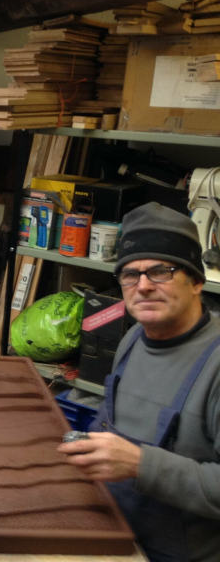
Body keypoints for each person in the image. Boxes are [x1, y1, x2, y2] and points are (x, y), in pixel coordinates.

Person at [59, 202, 220, 562]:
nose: (143, 286)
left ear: (195, 280)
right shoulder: (133, 340)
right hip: (118, 539)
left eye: (161, 271)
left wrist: (141, 465)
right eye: (130, 274)